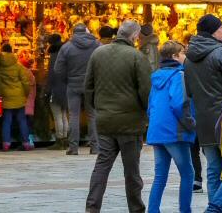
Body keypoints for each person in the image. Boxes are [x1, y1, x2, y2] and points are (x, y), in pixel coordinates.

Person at [84, 20, 152, 213]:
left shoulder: (98, 53)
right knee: (131, 170)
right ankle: (136, 208)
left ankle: (92, 207)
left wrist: (97, 109)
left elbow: (88, 86)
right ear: (133, 36)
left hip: (105, 119)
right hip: (130, 121)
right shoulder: (136, 56)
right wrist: (146, 113)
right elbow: (146, 90)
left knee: (102, 165)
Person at [184, 14, 222, 213]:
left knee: (213, 169)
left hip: (203, 120)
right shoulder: (221, 53)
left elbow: (188, 91)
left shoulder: (189, 58)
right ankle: (214, 208)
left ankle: (215, 208)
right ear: (213, 31)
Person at [146, 41, 195, 213]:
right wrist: (191, 124)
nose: (185, 56)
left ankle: (152, 210)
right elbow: (179, 103)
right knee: (188, 174)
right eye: (183, 53)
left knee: (160, 176)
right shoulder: (179, 75)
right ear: (174, 56)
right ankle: (185, 210)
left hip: (157, 131)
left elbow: (150, 106)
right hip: (175, 132)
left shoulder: (157, 76)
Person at [55, 23, 101, 155]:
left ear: (73, 33)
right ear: (87, 31)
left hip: (73, 84)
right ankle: (95, 147)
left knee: (73, 115)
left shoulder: (67, 47)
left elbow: (58, 69)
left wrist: (68, 79)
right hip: (91, 85)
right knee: (92, 115)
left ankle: (73, 147)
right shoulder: (97, 45)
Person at [0, 43, 32, 151]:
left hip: (6, 96)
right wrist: (25, 94)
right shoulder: (18, 66)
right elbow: (26, 82)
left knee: (7, 120)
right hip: (19, 96)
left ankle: (6, 144)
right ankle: (26, 143)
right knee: (22, 120)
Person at [44, 33, 69, 150]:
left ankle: (59, 140)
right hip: (66, 88)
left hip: (56, 88)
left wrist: (47, 89)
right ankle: (65, 139)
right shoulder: (66, 53)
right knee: (64, 115)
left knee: (57, 115)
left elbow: (51, 75)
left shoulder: (54, 55)